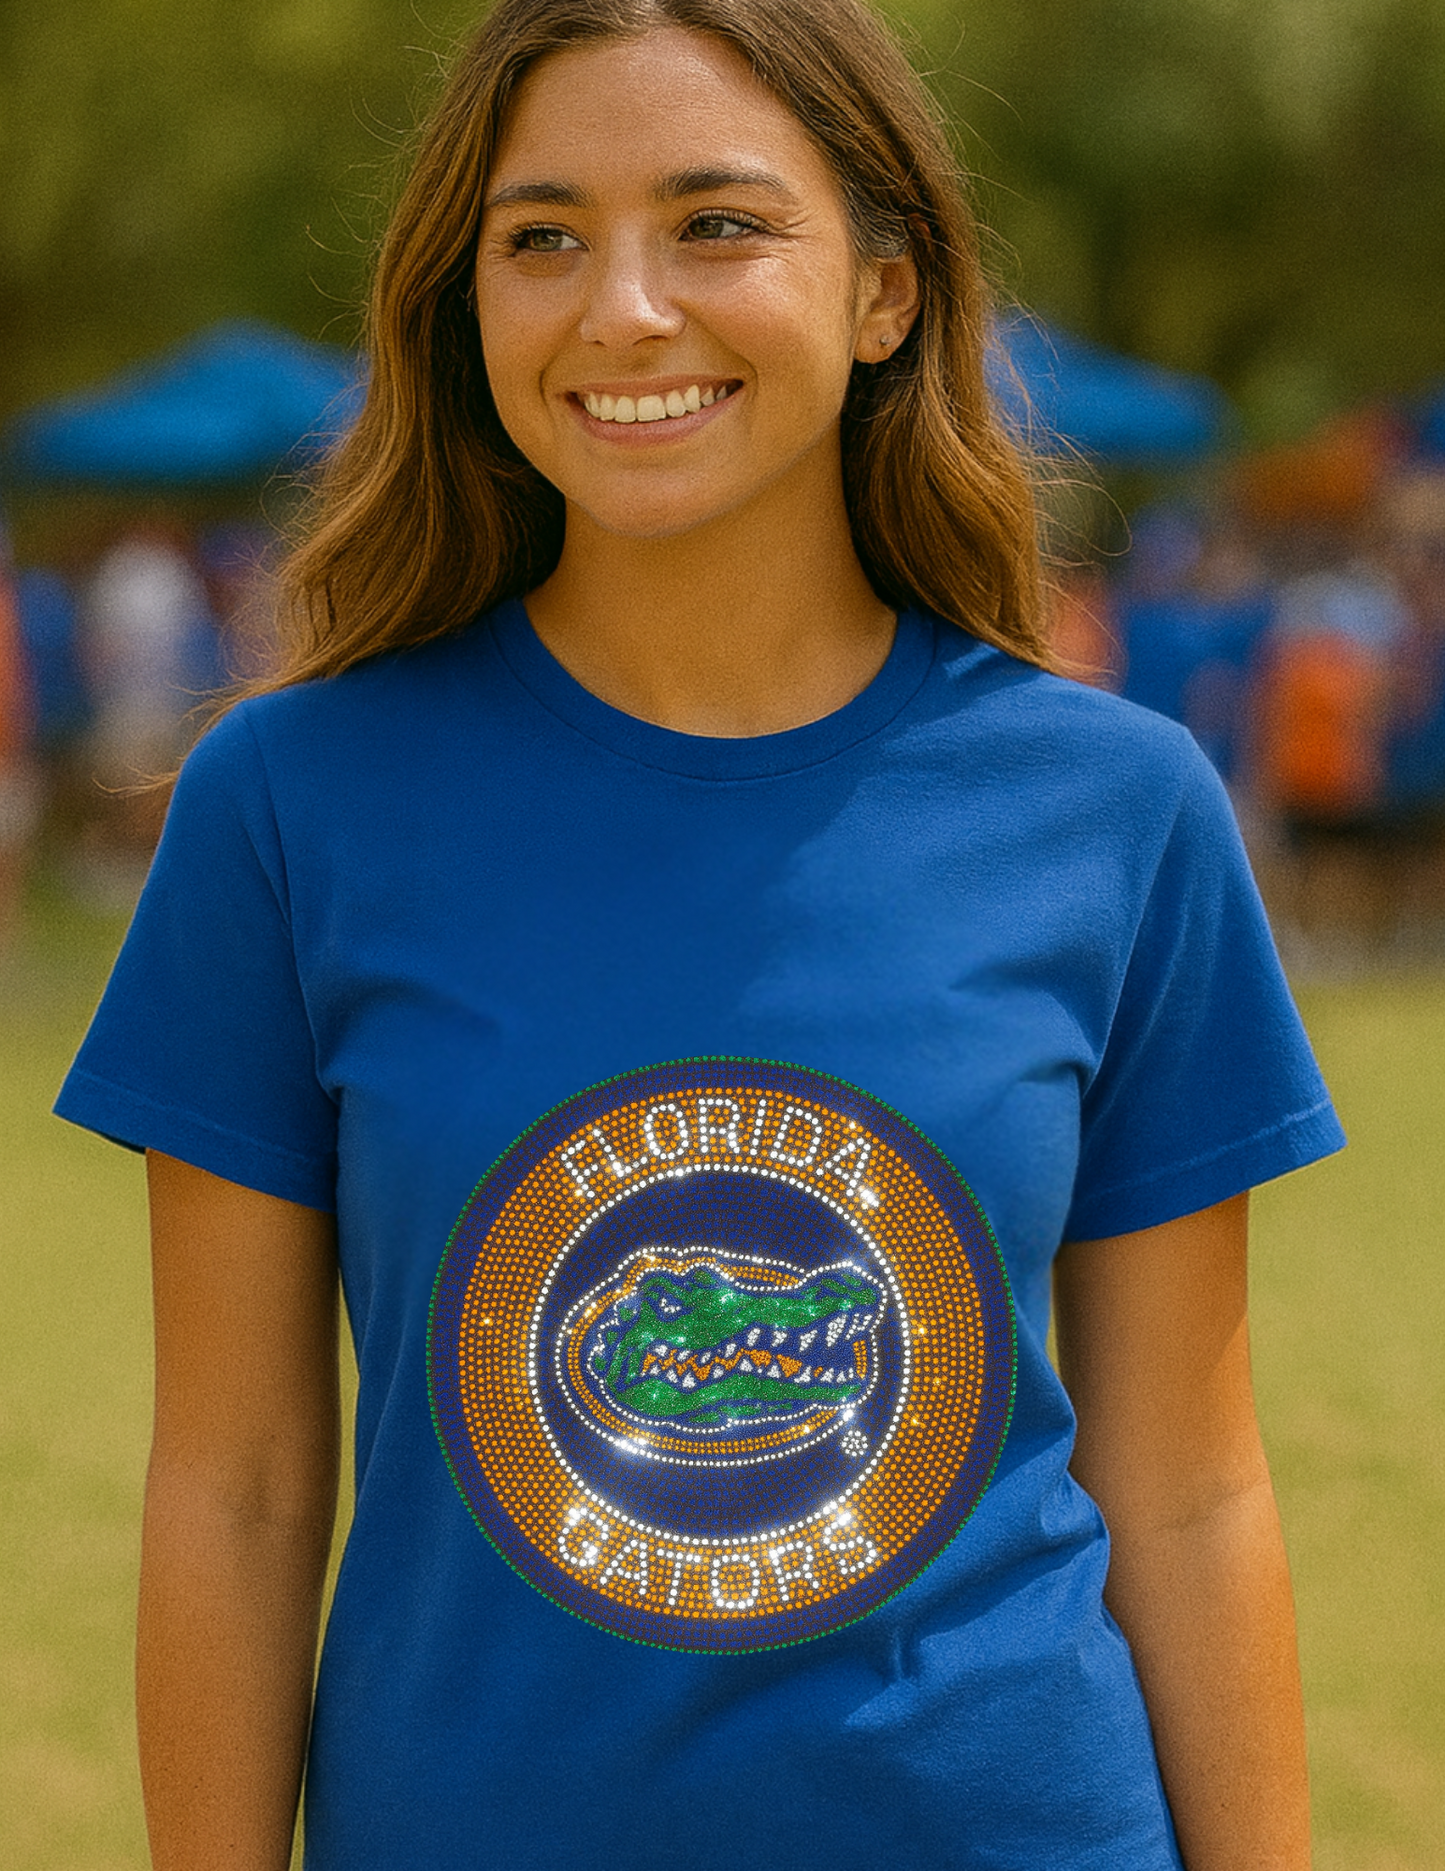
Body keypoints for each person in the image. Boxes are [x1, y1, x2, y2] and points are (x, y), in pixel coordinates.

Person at [56, 0, 1343, 1865]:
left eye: (717, 224)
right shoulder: (287, 803)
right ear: (467, 298)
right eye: (544, 236)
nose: (624, 310)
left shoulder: (1119, 811)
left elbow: (1195, 1486)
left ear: (887, 290)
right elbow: (239, 1491)